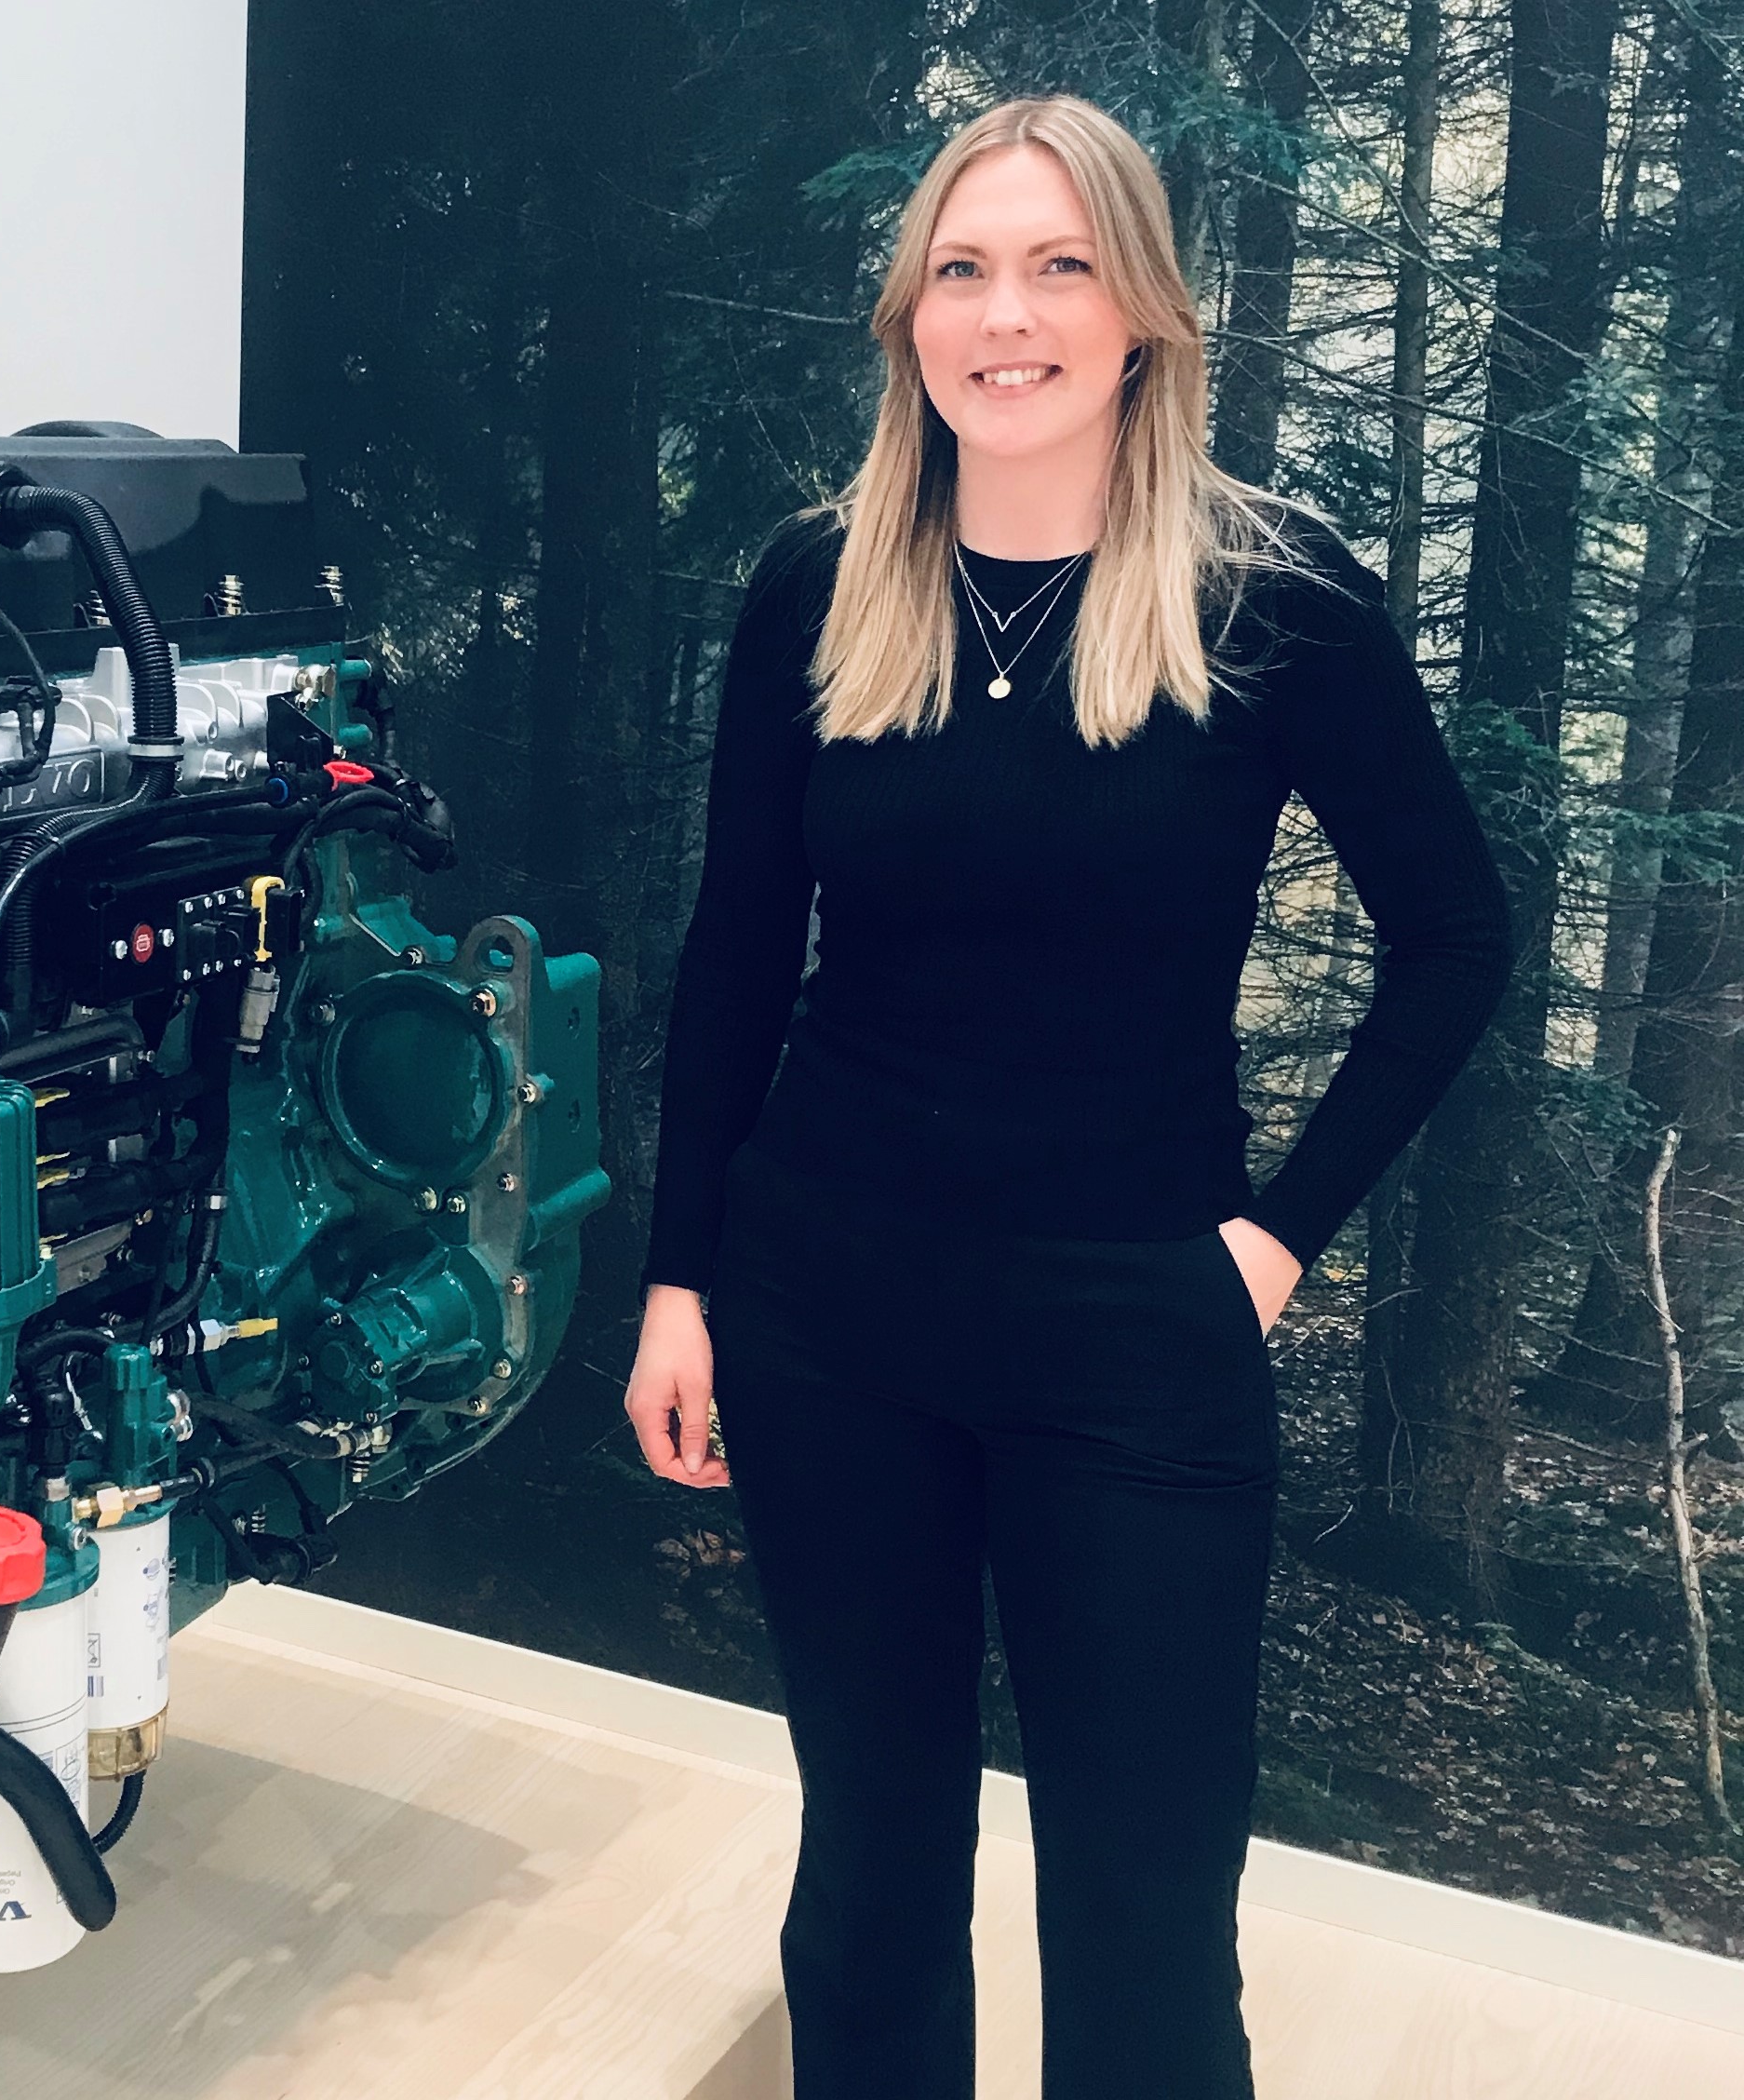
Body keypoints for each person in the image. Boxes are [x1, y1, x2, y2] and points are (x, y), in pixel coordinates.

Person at [622, 93, 1514, 2100]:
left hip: (1136, 1331)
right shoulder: (817, 586)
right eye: (960, 269)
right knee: (868, 1879)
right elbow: (740, 953)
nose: (1003, 314)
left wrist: (1276, 1242)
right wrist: (682, 1285)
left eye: (1057, 266)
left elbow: (1456, 937)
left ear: (1142, 317)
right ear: (908, 318)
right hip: (828, 1310)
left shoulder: (1270, 597)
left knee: (1142, 1920)